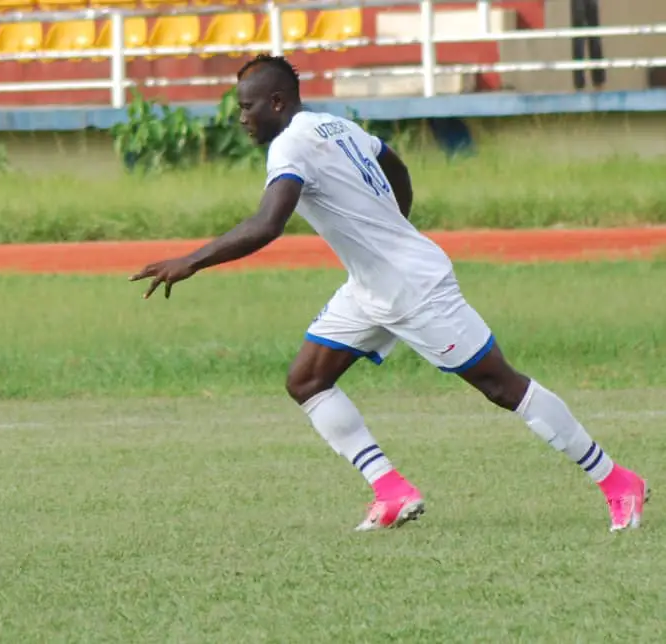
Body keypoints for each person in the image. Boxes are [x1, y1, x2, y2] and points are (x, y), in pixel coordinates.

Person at [129, 54, 648, 533]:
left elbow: (268, 224)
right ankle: (392, 490)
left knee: (501, 386)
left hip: (414, 289)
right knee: (307, 380)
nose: (241, 117)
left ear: (277, 103)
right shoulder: (335, 125)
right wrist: (395, 224)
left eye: (246, 107)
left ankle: (617, 480)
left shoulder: (290, 143)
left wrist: (190, 261)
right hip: (371, 286)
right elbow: (392, 160)